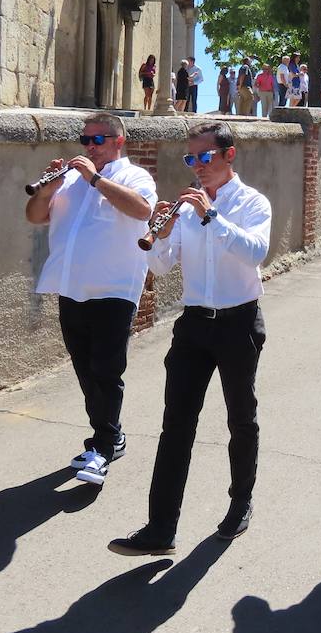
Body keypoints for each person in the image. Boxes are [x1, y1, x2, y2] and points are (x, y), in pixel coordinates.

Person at [108, 121, 273, 555]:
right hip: (194, 324)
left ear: (229, 155)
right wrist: (161, 237)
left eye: (205, 157)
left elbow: (256, 252)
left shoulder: (252, 202)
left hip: (239, 321)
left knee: (241, 416)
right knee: (176, 424)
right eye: (190, 159)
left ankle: (240, 502)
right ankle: (161, 528)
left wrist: (210, 216)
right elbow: (162, 268)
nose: (197, 167)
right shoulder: (184, 209)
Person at [26, 112, 158, 487]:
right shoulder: (68, 179)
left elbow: (143, 210)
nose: (88, 146)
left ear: (119, 141)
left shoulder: (134, 176)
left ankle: (101, 446)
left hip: (113, 289)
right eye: (84, 140)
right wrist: (47, 190)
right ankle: (109, 434)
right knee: (85, 369)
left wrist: (95, 178)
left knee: (106, 370)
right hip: (71, 288)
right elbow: (34, 216)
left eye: (97, 140)